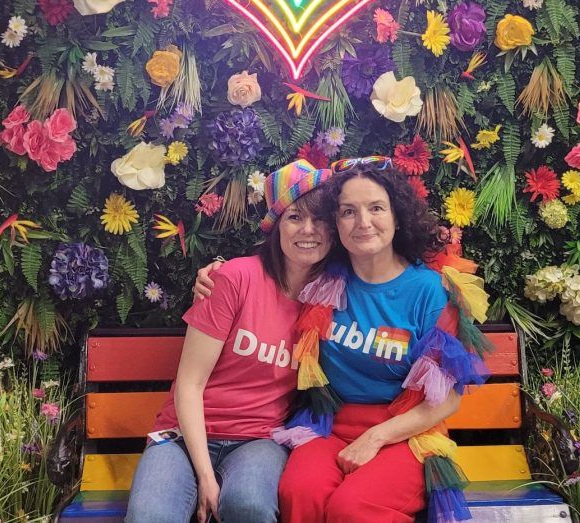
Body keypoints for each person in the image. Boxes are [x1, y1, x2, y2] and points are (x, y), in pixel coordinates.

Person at [195, 156, 492, 522]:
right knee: (299, 491)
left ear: (397, 216)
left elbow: (445, 401)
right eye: (348, 211)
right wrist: (213, 275)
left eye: (376, 208)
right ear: (337, 224)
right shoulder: (323, 279)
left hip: (406, 433)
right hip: (329, 426)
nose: (363, 222)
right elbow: (271, 273)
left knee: (351, 508)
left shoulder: (429, 291)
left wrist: (376, 437)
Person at [125, 159, 334, 523]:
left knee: (249, 506)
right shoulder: (235, 278)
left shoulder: (333, 296)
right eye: (295, 217)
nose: (309, 230)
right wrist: (206, 476)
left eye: (320, 220)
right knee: (149, 516)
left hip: (259, 440)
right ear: (276, 225)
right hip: (182, 435)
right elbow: (190, 383)